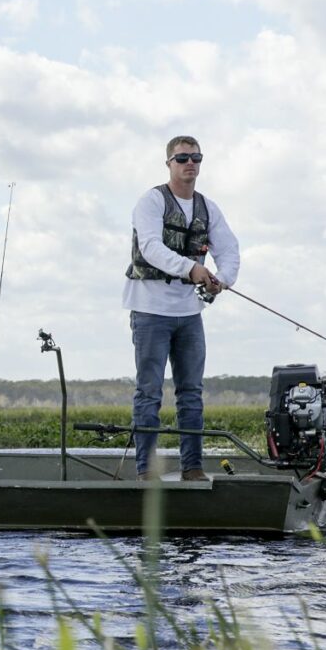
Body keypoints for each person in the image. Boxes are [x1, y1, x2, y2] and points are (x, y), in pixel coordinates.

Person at [122, 135, 240, 481]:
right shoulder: (151, 201)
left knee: (191, 393)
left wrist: (223, 279)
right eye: (183, 158)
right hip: (149, 311)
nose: (190, 163)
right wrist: (192, 269)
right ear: (169, 163)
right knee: (149, 392)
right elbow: (151, 247)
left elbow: (229, 249)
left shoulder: (208, 208)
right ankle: (147, 471)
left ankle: (193, 468)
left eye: (196, 158)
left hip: (189, 314)